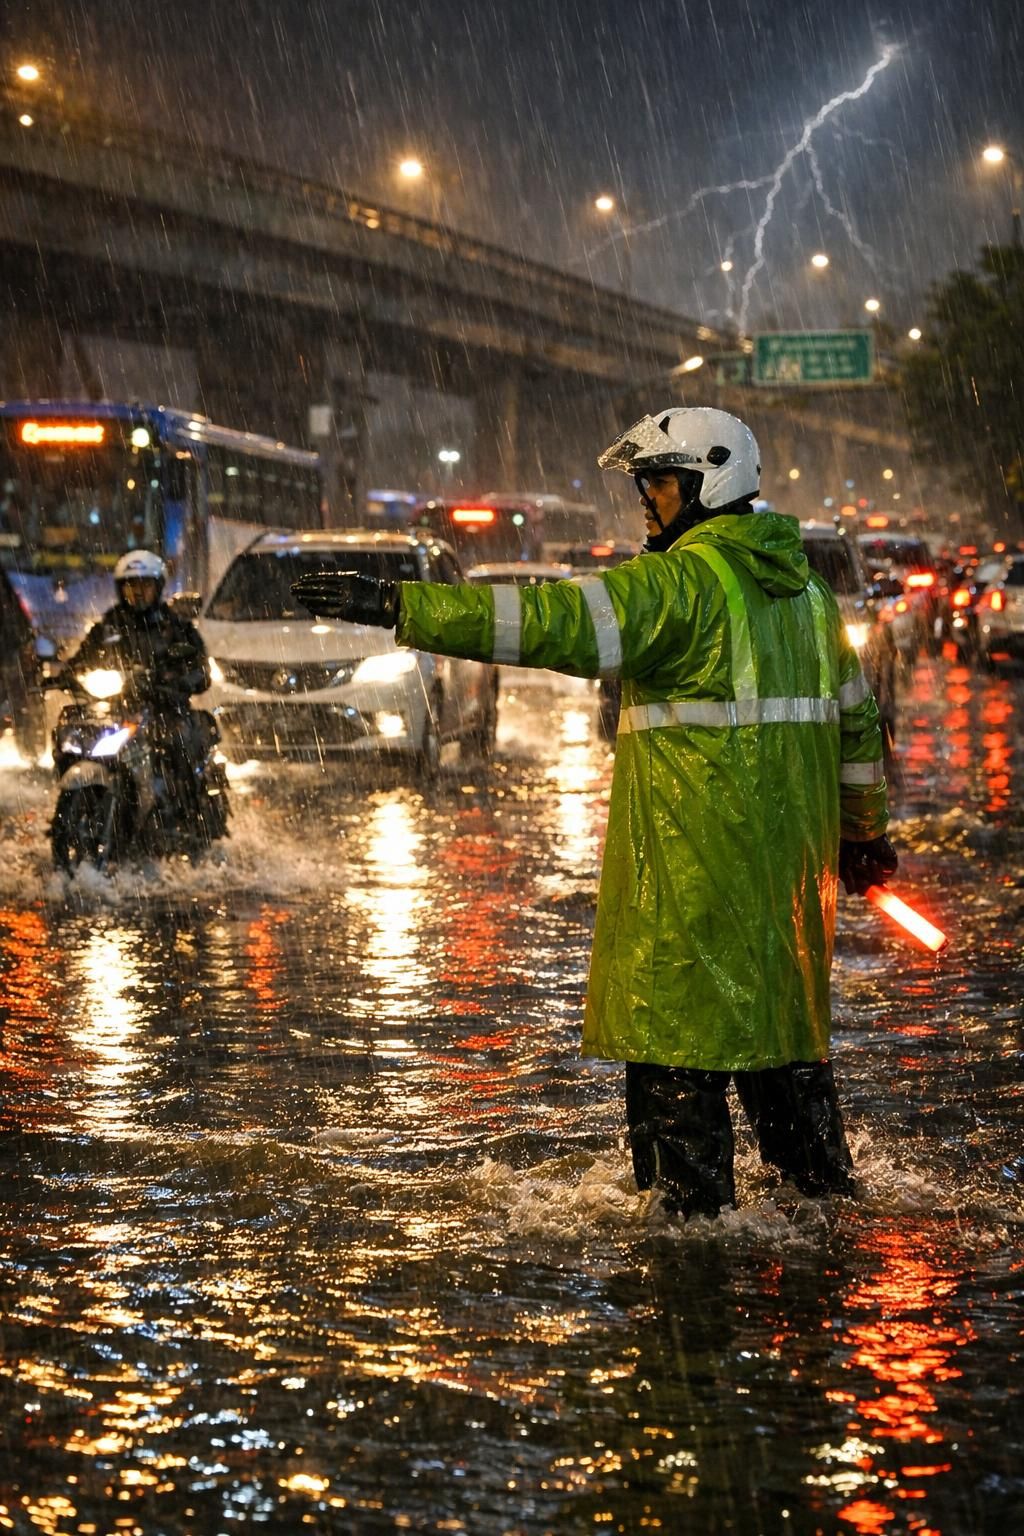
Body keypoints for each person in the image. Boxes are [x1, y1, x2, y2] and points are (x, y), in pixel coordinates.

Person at [291, 407, 898, 1218]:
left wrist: (405, 608)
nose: (647, 502)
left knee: (685, 1208)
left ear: (706, 484)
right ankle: (823, 1275)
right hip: (785, 924)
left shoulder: (680, 586)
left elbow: (548, 622)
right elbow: (859, 728)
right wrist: (864, 837)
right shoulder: (814, 601)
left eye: (659, 485)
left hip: (688, 920)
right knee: (811, 1166)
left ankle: (696, 1311)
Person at [67, 549, 213, 803]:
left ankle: (186, 811)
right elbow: (84, 657)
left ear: (157, 587)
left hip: (163, 708)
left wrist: (173, 679)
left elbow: (198, 669)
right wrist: (66, 675)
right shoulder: (110, 624)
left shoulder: (174, 626)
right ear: (120, 589)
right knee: (70, 729)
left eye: (144, 585)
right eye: (130, 585)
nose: (137, 592)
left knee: (177, 744)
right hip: (116, 707)